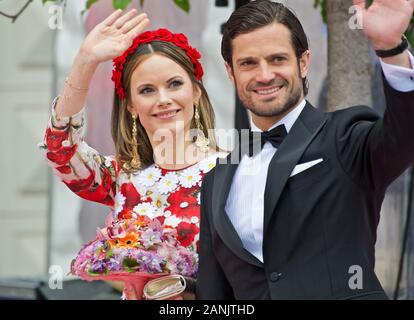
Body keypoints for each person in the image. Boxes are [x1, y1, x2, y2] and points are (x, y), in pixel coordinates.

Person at [196, 0, 414, 300]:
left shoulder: (346, 137)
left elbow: (404, 135)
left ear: (303, 62)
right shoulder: (214, 182)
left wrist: (391, 48)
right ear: (231, 72)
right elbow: (214, 295)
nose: (264, 75)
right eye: (248, 63)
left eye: (277, 59)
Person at [39, 9, 224, 300]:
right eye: (147, 90)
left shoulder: (230, 172)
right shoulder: (122, 177)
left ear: (196, 91)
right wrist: (85, 61)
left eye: (174, 84)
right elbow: (60, 150)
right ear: (131, 106)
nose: (163, 99)